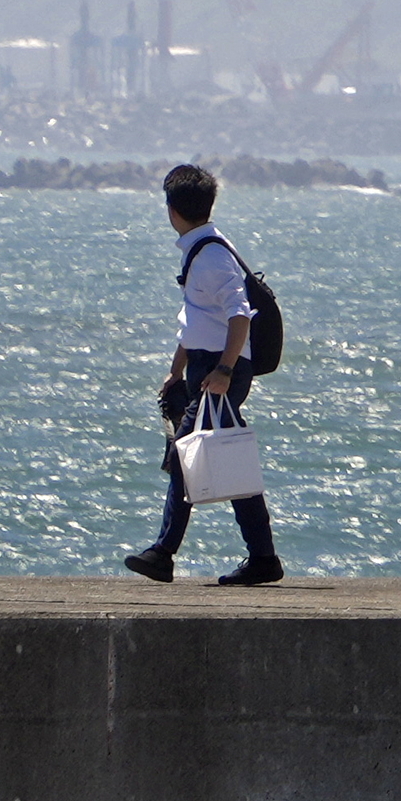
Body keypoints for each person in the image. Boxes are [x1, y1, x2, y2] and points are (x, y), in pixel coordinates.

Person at [124, 165, 285, 586]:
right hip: (206, 365)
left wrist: (225, 370)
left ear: (172, 209)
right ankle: (263, 558)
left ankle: (163, 553)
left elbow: (238, 314)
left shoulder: (211, 256)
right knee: (229, 456)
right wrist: (177, 368)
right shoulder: (203, 250)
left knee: (184, 453)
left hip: (221, 369)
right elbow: (201, 318)